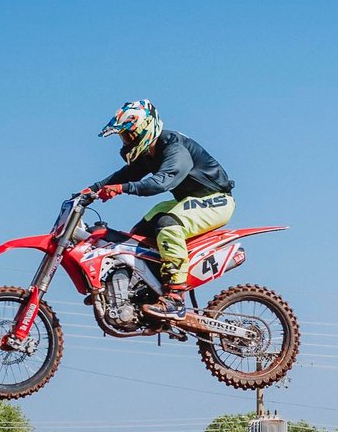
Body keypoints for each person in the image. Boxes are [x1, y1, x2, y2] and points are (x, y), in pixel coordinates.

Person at [82, 100, 236, 324]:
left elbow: (161, 182)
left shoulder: (175, 149)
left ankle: (175, 297)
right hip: (189, 201)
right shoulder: (149, 152)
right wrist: (92, 189)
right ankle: (140, 288)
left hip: (215, 201)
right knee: (138, 234)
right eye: (124, 137)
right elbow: (126, 174)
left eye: (130, 135)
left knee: (167, 224)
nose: (127, 141)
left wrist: (122, 189)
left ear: (147, 128)